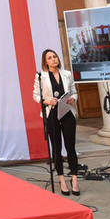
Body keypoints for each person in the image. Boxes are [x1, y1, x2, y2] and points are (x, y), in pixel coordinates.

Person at [32, 49, 79, 195]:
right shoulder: (41, 76)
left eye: (55, 56)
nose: (54, 59)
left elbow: (74, 91)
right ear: (45, 62)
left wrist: (73, 98)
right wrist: (47, 101)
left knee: (71, 146)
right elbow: (35, 95)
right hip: (51, 114)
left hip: (67, 112)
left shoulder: (67, 74)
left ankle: (74, 179)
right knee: (56, 147)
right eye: (50, 58)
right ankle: (61, 179)